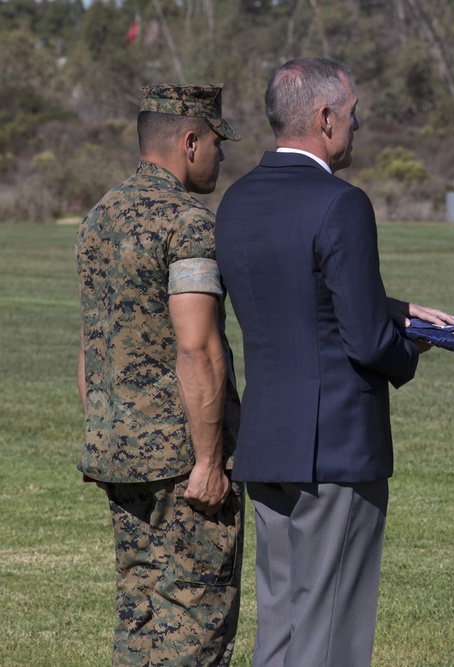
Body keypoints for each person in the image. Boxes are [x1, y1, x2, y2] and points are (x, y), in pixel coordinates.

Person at [214, 57, 454, 667]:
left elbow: (295, 293)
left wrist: (392, 307)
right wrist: (414, 346)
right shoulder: (341, 203)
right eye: (352, 117)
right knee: (331, 635)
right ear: (325, 118)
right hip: (335, 447)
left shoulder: (236, 201)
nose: (357, 128)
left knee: (283, 627)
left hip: (267, 439)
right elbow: (368, 341)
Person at [76, 84, 244, 666]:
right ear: (190, 141)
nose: (221, 156)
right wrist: (206, 462)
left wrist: (103, 436)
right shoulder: (188, 222)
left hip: (118, 452)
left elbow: (93, 342)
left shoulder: (100, 216)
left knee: (140, 617)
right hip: (180, 465)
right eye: (217, 142)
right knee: (194, 628)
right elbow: (197, 348)